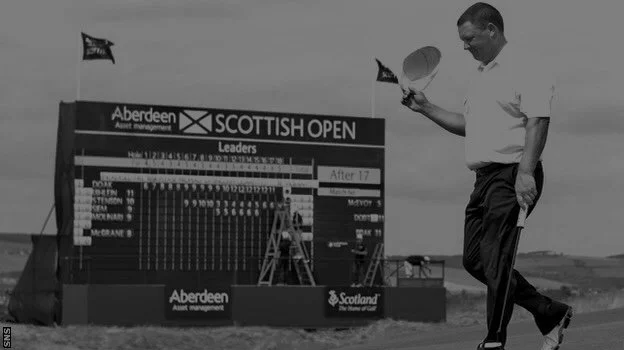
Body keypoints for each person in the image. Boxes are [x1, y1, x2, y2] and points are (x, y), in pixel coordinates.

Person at [400, 3, 572, 349]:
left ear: (491, 30)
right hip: (483, 180)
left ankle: (494, 341)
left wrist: (525, 172)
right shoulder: (480, 74)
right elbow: (470, 127)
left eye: (470, 39)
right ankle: (548, 311)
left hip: (513, 173)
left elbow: (539, 119)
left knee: (496, 258)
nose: (465, 46)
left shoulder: (526, 66)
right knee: (475, 260)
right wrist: (426, 108)